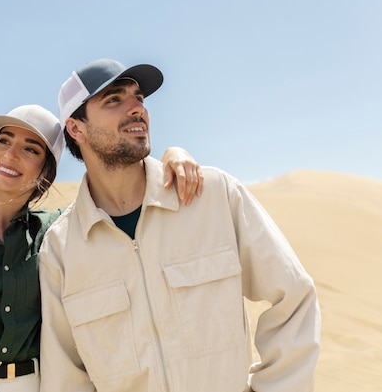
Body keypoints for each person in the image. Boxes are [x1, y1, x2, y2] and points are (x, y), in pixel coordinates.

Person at [38, 59, 321, 392]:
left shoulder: (214, 196)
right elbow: (65, 376)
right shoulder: (61, 249)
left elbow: (294, 297)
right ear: (75, 129)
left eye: (139, 97)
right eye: (114, 99)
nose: (136, 108)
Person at [0, 104, 203, 392]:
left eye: (31, 149)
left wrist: (171, 157)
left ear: (46, 172)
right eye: (4, 141)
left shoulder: (57, 232)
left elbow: (119, 197)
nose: (10, 155)